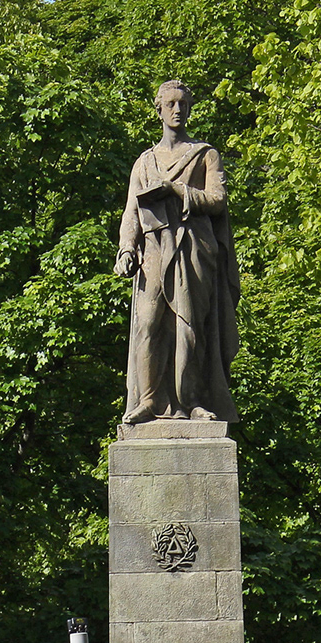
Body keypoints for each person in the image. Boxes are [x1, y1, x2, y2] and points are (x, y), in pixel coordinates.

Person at [116, 79, 240, 425]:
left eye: (183, 104)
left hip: (193, 249)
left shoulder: (205, 154)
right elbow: (131, 213)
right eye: (170, 104)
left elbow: (217, 199)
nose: (177, 110)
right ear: (158, 110)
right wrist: (127, 248)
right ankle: (149, 400)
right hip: (154, 249)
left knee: (189, 328)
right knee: (149, 326)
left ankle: (193, 401)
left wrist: (176, 189)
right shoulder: (144, 162)